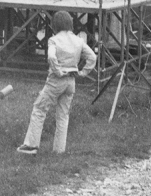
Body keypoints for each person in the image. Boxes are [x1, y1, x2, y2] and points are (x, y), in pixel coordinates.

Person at [17, 11, 97, 155]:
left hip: (56, 80)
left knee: (39, 108)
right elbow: (92, 57)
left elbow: (51, 57)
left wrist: (58, 71)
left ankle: (31, 145)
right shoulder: (78, 40)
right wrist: (83, 72)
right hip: (71, 81)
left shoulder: (54, 40)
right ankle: (59, 150)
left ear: (55, 24)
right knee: (63, 115)